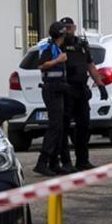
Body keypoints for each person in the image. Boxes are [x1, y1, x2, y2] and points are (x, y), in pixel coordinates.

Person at [58, 17, 109, 171]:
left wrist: (100, 85)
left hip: (81, 90)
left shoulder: (82, 45)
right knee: (63, 128)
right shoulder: (59, 45)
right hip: (66, 90)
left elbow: (91, 66)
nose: (68, 30)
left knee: (84, 126)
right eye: (65, 27)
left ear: (74, 28)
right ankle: (66, 162)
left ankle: (82, 160)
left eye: (70, 27)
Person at [33, 22, 70, 177]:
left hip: (58, 89)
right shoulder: (49, 48)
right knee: (54, 127)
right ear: (61, 35)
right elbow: (41, 65)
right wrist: (58, 61)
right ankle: (42, 162)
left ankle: (54, 163)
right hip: (51, 90)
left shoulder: (56, 48)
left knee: (59, 127)